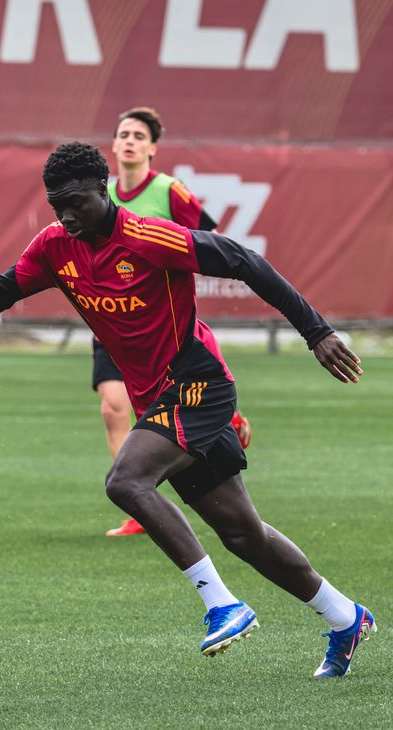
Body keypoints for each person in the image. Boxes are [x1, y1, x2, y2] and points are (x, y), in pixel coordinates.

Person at [0, 142, 374, 677]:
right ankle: (346, 617)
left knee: (125, 482)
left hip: (197, 383)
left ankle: (222, 605)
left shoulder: (146, 236)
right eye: (55, 205)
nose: (65, 215)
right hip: (157, 397)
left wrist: (316, 333)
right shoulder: (55, 246)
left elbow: (246, 262)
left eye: (75, 202)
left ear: (102, 188)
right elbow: (9, 285)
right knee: (243, 533)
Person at [102, 106, 250, 537]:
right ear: (113, 144)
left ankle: (228, 419)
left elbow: (208, 241)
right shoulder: (102, 196)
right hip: (110, 316)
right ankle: (137, 504)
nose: (129, 141)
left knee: (162, 406)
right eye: (123, 134)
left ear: (152, 148)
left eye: (138, 135)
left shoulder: (170, 191)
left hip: (160, 322)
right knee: (113, 409)